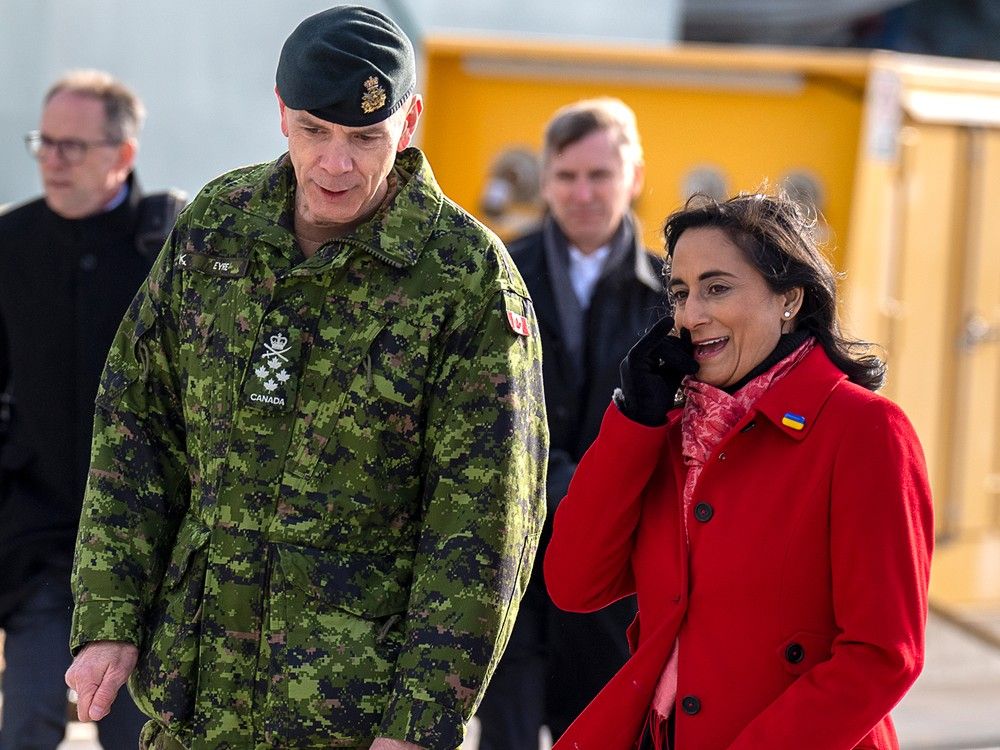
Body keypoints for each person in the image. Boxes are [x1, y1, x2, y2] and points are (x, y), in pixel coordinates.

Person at [62, 7, 548, 750]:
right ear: (282, 113)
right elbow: (137, 420)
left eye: (364, 138)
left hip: (351, 717)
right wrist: (111, 616)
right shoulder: (218, 229)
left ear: (410, 121)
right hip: (194, 706)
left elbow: (484, 522)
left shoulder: (465, 281)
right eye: (315, 132)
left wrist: (419, 726)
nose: (335, 165)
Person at [543, 192, 934, 749]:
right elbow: (574, 583)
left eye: (717, 287)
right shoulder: (669, 433)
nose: (691, 315)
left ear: (789, 300)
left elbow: (883, 655)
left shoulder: (865, 431)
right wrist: (633, 420)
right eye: (679, 293)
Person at [0, 69, 184, 750]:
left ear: (122, 155)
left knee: (144, 737)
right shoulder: (10, 245)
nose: (52, 159)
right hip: (41, 544)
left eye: (71, 146)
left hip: (149, 560)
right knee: (26, 725)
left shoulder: (172, 249)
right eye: (44, 143)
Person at [477, 97, 665, 748]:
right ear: (545, 180)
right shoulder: (494, 274)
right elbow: (480, 412)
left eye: (600, 176)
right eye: (566, 177)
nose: (582, 193)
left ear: (633, 178)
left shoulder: (676, 292)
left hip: (618, 581)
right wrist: (562, 485)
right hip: (510, 566)